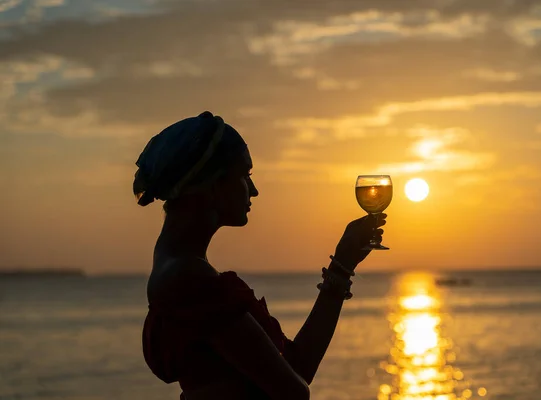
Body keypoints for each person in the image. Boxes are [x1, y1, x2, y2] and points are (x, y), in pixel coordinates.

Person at [133, 111, 387, 400]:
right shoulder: (191, 279)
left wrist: (342, 265)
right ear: (212, 185)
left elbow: (296, 367)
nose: (254, 190)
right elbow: (293, 392)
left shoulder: (176, 267)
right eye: (245, 175)